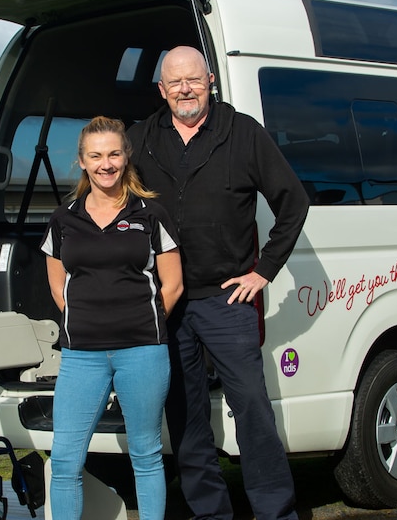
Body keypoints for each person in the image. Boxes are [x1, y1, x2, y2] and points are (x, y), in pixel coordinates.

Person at [128, 46, 310, 520]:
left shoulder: (243, 133)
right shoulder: (141, 139)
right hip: (166, 301)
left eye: (193, 80)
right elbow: (105, 193)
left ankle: (276, 512)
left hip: (226, 299)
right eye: (175, 83)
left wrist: (264, 270)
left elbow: (294, 203)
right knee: (184, 416)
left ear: (210, 80)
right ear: (162, 90)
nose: (185, 90)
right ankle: (211, 513)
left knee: (251, 408)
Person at [40, 116, 184, 520]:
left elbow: (172, 285)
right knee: (66, 460)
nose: (106, 164)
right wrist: (89, 321)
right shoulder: (62, 219)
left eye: (114, 154)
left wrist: (142, 322)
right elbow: (58, 286)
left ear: (126, 157)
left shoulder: (151, 214)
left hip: (143, 353)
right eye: (96, 156)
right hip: (81, 356)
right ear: (82, 162)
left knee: (146, 454)